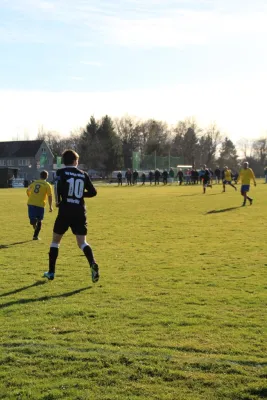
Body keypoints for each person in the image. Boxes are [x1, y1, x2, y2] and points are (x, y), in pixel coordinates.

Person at [43, 149, 99, 283]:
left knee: (55, 241)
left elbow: (56, 187)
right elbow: (93, 192)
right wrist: (79, 194)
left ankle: (51, 272)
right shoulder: (83, 174)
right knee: (82, 242)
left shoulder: (60, 172)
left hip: (65, 210)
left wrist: (58, 201)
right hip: (79, 211)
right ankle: (92, 263)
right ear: (75, 161)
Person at [26, 170, 53, 240]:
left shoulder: (34, 183)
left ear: (40, 176)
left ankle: (33, 222)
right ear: (47, 176)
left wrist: (30, 196)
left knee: (33, 219)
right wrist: (50, 206)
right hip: (40, 205)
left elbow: (28, 190)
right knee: (40, 220)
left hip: (31, 203)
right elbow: (50, 196)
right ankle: (35, 236)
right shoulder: (47, 185)